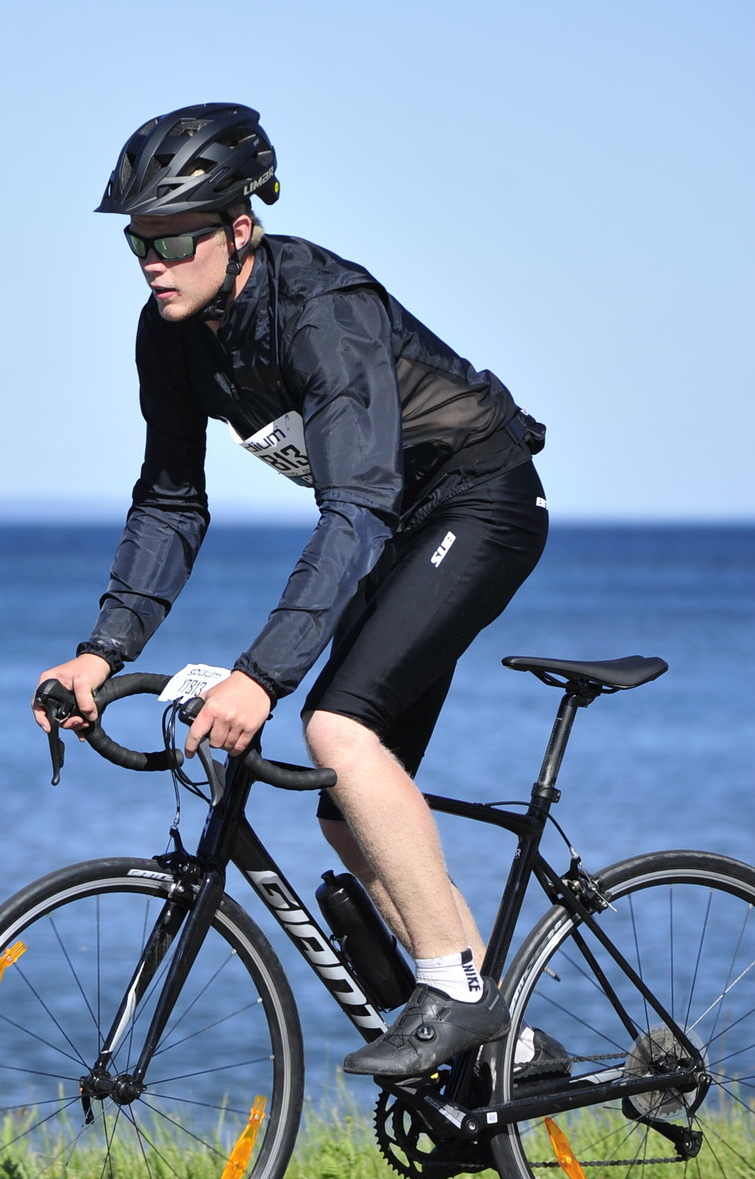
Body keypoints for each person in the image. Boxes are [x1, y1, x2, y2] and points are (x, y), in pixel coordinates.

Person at [33, 103, 548, 1079]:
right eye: (139, 241)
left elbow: (353, 509)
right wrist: (102, 651)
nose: (153, 262)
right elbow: (171, 503)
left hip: (480, 501)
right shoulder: (171, 335)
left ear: (239, 229)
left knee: (336, 731)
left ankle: (457, 992)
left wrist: (260, 676)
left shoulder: (323, 310)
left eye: (174, 239)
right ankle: (509, 1050)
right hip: (395, 524)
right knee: (346, 808)